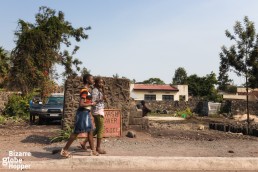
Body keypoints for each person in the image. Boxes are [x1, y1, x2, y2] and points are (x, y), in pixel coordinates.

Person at [60, 74, 98, 158]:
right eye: (91, 79)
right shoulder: (84, 90)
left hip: (86, 113)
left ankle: (93, 151)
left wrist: (89, 113)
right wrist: (92, 103)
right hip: (82, 113)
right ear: (87, 80)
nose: (93, 80)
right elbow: (81, 104)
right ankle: (64, 150)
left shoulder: (87, 90)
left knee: (90, 131)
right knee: (76, 132)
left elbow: (86, 104)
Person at [80, 77, 107, 154]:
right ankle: (98, 148)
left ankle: (84, 142)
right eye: (99, 82)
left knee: (97, 129)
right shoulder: (95, 90)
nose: (101, 84)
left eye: (102, 83)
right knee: (100, 129)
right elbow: (93, 101)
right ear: (95, 83)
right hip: (97, 111)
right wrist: (101, 99)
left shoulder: (99, 90)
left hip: (99, 110)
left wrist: (103, 92)